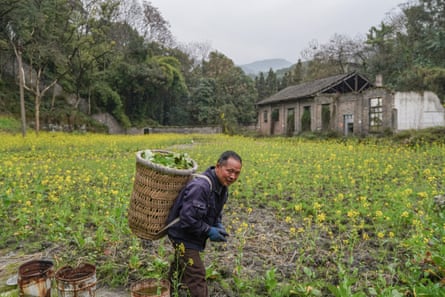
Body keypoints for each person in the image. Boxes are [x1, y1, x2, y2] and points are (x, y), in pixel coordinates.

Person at [166, 150, 242, 297]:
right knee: (197, 275)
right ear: (218, 166)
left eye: (237, 173)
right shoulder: (201, 186)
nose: (233, 176)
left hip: (193, 234)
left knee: (179, 268)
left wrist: (218, 224)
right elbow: (188, 219)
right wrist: (209, 230)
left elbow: (216, 211)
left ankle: (167, 291)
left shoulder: (222, 187)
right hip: (183, 236)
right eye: (230, 171)